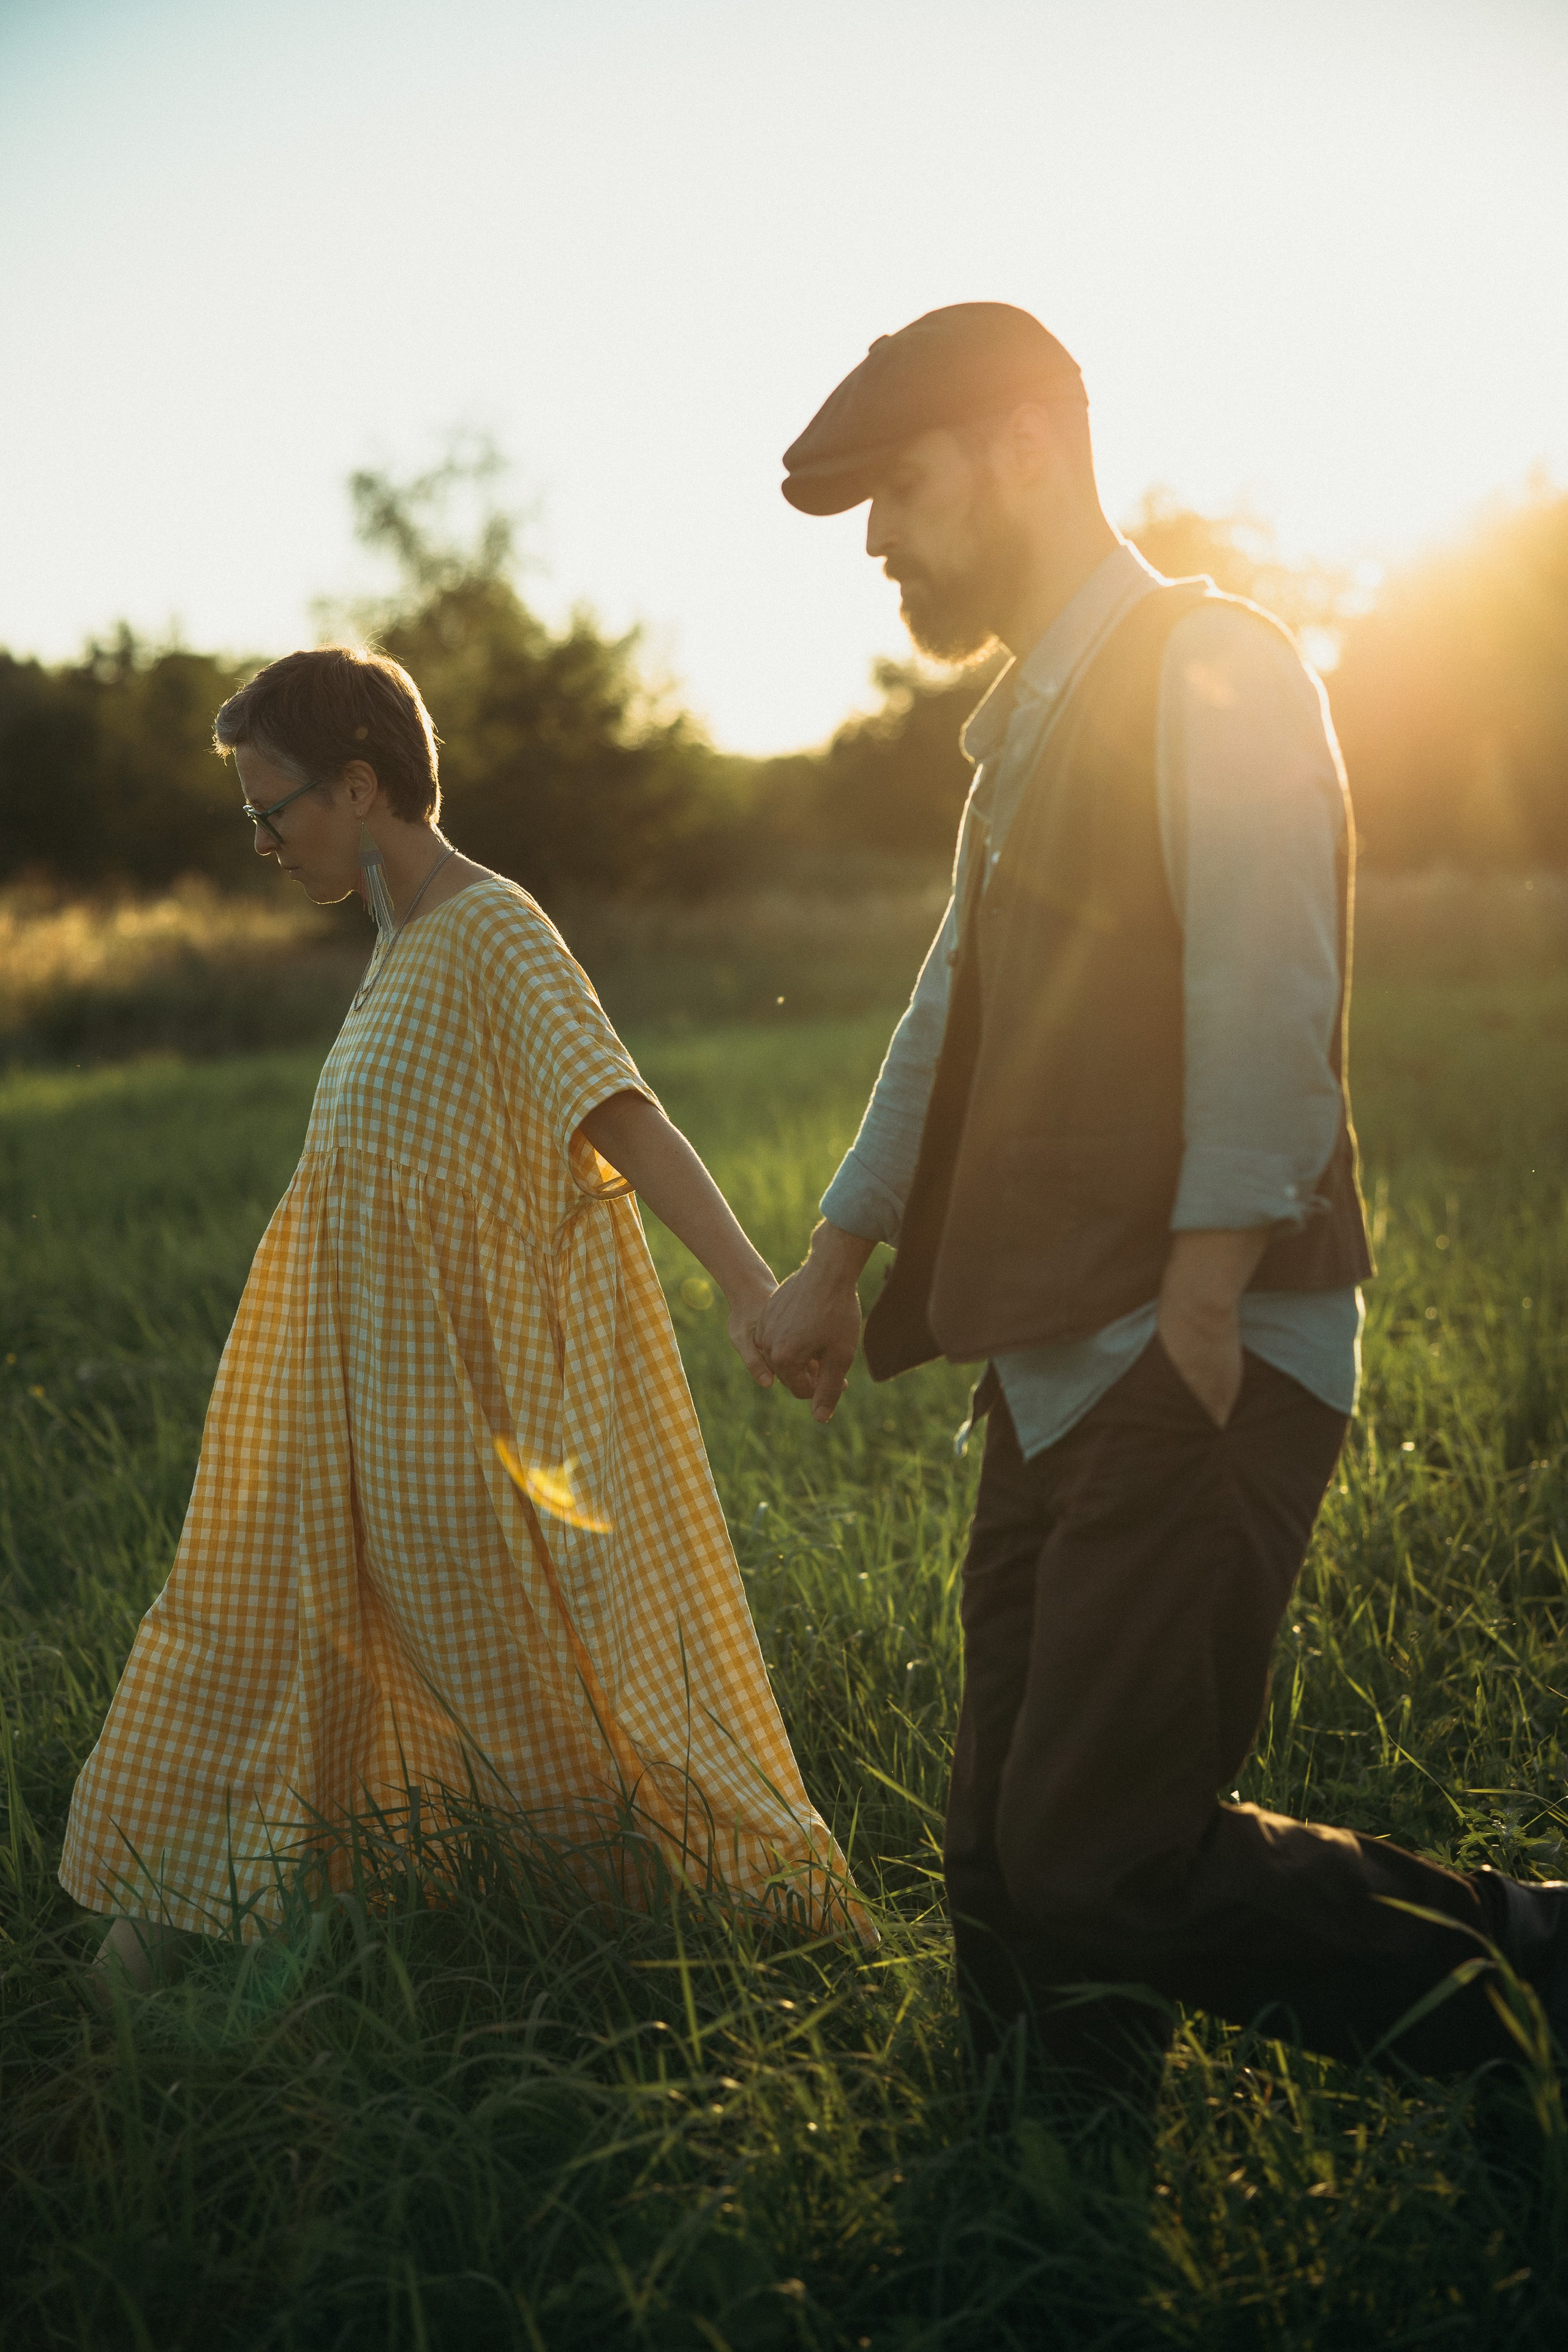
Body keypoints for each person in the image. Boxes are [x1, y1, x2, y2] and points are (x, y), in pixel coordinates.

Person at [756, 302, 1567, 2097]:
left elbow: (1268, 996)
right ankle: (1049, 2201)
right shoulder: (1021, 724)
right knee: (998, 1865)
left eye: (901, 487)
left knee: (1094, 1859)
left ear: (1030, 447)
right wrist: (836, 1259)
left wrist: (1202, 1304)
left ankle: (1533, 1974)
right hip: (1053, 1359)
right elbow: (950, 1010)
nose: (879, 539)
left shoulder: (1223, 665)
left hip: (1196, 1347)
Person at [62, 646, 848, 1991]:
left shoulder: (489, 928)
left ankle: (689, 1949)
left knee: (526, 1723)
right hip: (341, 1419)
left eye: (272, 809)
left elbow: (619, 1112)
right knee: (253, 1661)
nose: (259, 841)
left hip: (455, 1429)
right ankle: (150, 1965)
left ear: (358, 787)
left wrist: (749, 1285)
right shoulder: (398, 947)